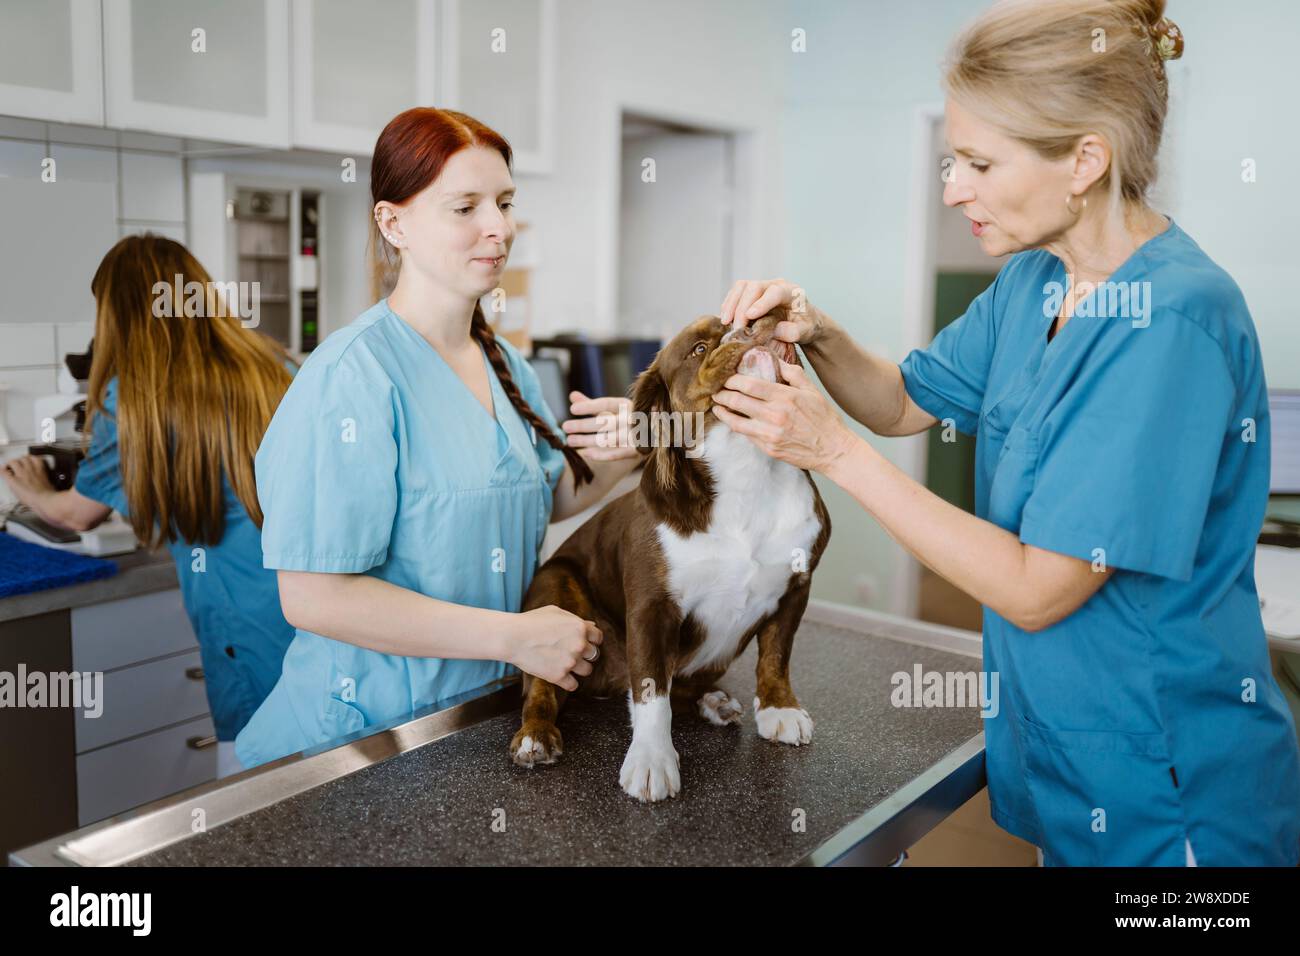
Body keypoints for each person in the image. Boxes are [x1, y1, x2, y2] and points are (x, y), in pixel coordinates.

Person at [711, 0, 1300, 865]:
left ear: (1085, 161)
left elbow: (1036, 588)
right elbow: (903, 401)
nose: (952, 188)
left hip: (1176, 798)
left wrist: (830, 451)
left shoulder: (1173, 321)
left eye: (980, 163)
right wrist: (817, 328)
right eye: (955, 160)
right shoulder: (1035, 281)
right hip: (1075, 763)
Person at [234, 108, 640, 770]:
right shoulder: (350, 377)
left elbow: (541, 494)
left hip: (473, 719)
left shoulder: (503, 363)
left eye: (505, 203)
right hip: (361, 741)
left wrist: (621, 453)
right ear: (394, 223)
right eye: (466, 207)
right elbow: (313, 596)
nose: (499, 227)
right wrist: (516, 637)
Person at [1, 235, 297, 778]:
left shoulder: (132, 395)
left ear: (116, 314)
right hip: (313, 617)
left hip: (245, 630)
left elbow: (77, 515)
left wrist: (30, 488)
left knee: (253, 804)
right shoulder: (271, 366)